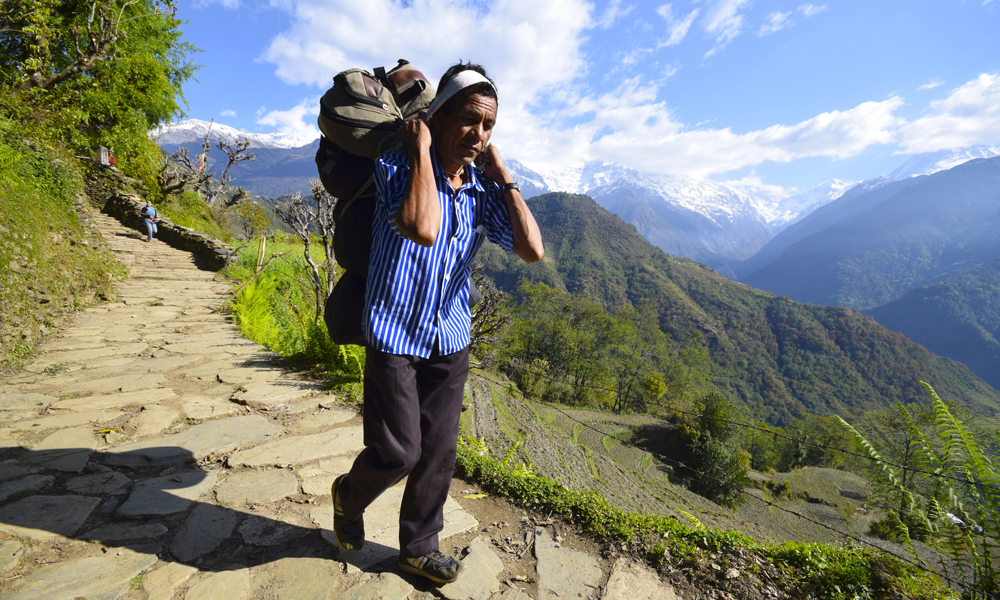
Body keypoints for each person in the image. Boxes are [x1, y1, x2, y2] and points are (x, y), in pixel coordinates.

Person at [331, 62, 544, 584]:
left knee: (438, 451)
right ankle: (348, 494)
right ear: (439, 116)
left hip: (449, 334)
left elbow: (531, 250)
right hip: (394, 330)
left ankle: (418, 548)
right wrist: (422, 149)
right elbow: (421, 227)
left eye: (489, 126)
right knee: (399, 450)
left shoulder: (480, 189)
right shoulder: (398, 164)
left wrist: (506, 178)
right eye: (469, 119)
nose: (479, 134)